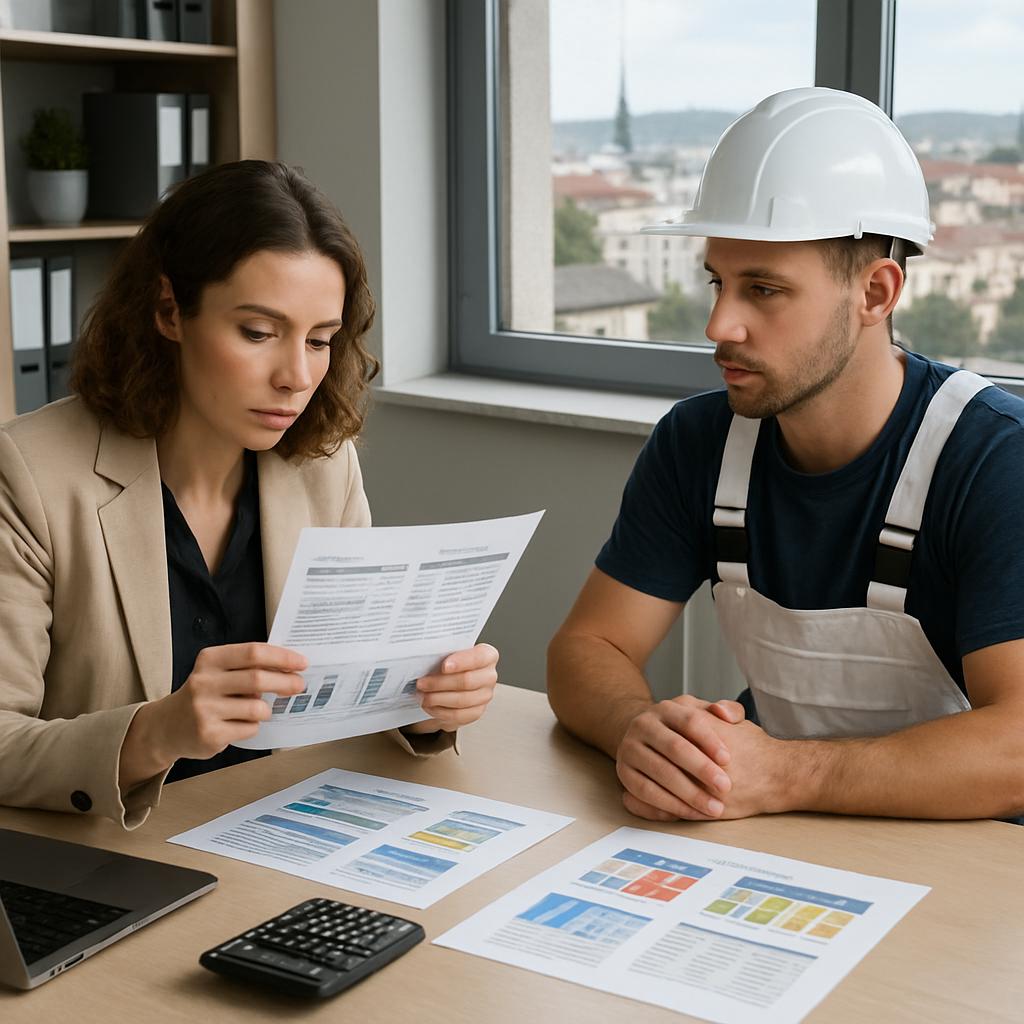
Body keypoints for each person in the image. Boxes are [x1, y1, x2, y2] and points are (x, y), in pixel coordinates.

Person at [547, 87, 1024, 824]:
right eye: (719, 282)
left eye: (763, 290)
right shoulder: (697, 443)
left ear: (875, 291)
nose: (718, 325)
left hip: (973, 860)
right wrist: (638, 733)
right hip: (773, 839)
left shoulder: (996, 459)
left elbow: (1017, 747)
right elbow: (587, 646)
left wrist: (787, 775)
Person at [0, 160, 499, 830]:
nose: (297, 376)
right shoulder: (29, 474)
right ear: (170, 310)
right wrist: (156, 732)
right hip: (112, 861)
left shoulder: (324, 467)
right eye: (259, 332)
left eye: (321, 340)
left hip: (279, 837)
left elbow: (348, 691)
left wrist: (426, 704)